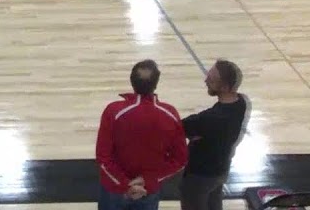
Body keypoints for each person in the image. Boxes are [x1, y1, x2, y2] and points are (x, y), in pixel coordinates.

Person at [95, 60, 187, 210]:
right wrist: (148, 181)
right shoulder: (170, 114)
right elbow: (180, 159)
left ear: (132, 81)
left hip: (114, 190)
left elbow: (103, 157)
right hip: (147, 191)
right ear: (156, 84)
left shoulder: (113, 111)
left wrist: (126, 184)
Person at [179, 60, 249, 210]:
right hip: (221, 170)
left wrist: (194, 139)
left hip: (199, 176)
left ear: (224, 87)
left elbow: (180, 126)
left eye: (210, 79)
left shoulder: (210, 119)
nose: (205, 81)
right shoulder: (242, 103)